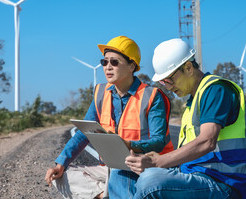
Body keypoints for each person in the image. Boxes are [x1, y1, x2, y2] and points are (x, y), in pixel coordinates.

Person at [125, 38, 246, 199]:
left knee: (150, 181)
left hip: (224, 184)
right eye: (162, 82)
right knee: (122, 174)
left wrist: (157, 163)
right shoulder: (192, 102)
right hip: (196, 176)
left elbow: (207, 141)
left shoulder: (216, 89)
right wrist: (156, 159)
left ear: (188, 68)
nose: (168, 86)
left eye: (169, 80)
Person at [45, 35, 174, 198]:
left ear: (131, 66)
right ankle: (107, 193)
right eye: (104, 62)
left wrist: (129, 145)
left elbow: (159, 142)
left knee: (119, 174)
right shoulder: (101, 93)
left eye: (114, 62)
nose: (107, 67)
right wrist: (61, 163)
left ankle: (113, 191)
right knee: (62, 178)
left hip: (144, 168)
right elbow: (84, 132)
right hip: (111, 167)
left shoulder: (152, 96)